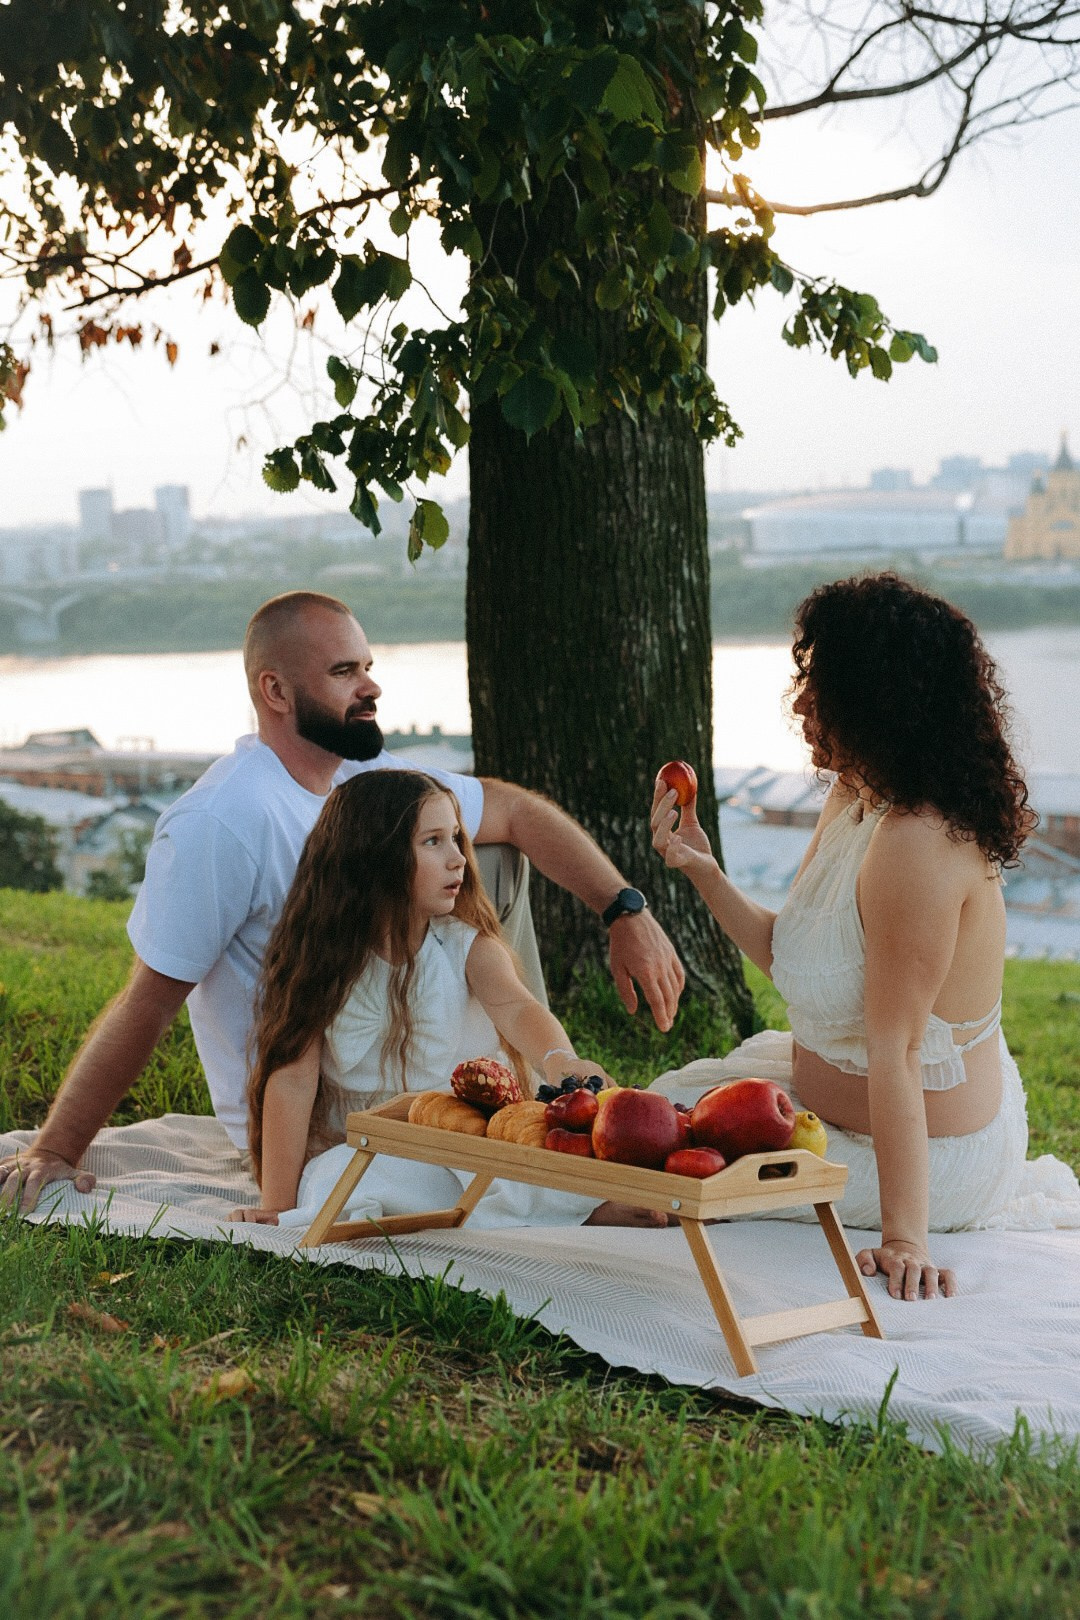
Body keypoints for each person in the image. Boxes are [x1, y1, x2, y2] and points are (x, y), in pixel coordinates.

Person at [0, 590, 683, 1213]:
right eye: (345, 672)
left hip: (440, 1074)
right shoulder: (223, 822)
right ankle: (552, 1159)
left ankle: (543, 1099)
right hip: (321, 1119)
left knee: (495, 850)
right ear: (275, 689)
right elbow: (149, 1000)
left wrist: (625, 910)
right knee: (427, 1180)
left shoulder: (372, 779)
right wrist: (57, 1149)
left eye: (368, 665)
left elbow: (515, 812)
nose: (371, 686)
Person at [649, 572, 1080, 1302]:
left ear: (878, 700)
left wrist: (904, 1238)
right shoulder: (857, 793)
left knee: (667, 1175)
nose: (802, 702)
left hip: (928, 1158)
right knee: (651, 1121)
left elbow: (898, 1051)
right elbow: (796, 956)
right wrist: (704, 870)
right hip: (829, 1115)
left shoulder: (919, 842)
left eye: (823, 683)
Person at [230, 769, 656, 1228]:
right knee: (342, 1180)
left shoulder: (465, 947)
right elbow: (291, 1082)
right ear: (373, 857)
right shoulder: (319, 963)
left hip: (467, 1141)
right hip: (368, 1150)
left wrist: (559, 1059)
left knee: (519, 1166)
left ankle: (582, 1206)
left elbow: (518, 1009)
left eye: (456, 838)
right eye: (433, 841)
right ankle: (563, 1212)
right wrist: (277, 1204)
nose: (459, 859)